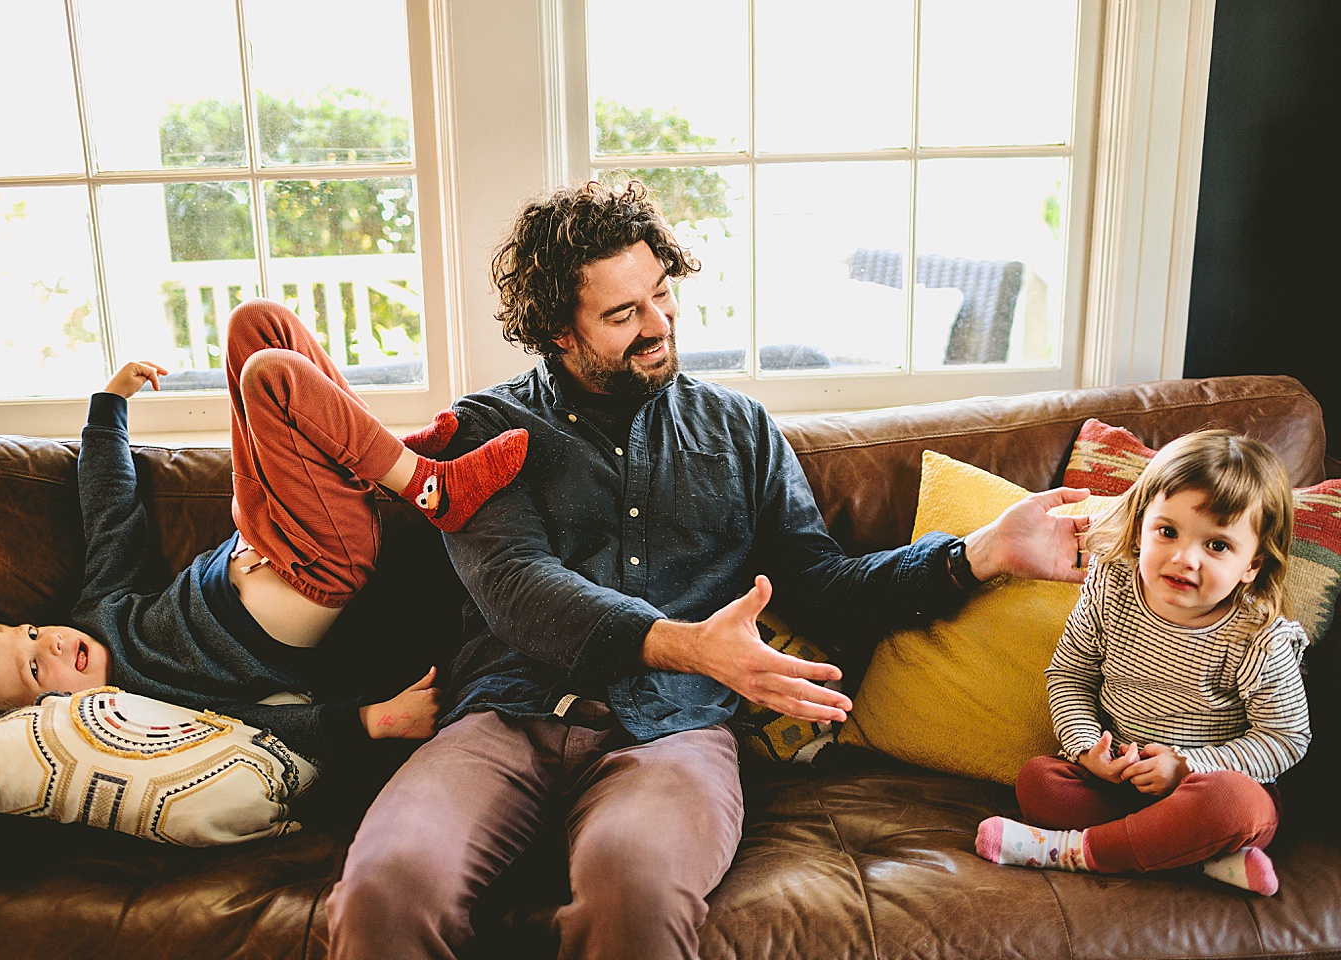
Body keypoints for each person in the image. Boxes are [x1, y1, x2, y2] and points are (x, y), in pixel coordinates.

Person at [325, 180, 1094, 960]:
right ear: (558, 329)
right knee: (388, 888)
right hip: (504, 715)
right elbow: (518, 585)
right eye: (623, 315)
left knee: (636, 885)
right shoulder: (484, 432)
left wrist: (981, 553)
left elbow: (822, 585)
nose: (658, 326)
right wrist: (686, 642)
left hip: (671, 732)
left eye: (662, 295)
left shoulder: (740, 431)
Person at [0, 298, 529, 763]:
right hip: (317, 569)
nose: (50, 645)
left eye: (30, 634)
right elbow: (249, 722)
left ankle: (380, 465)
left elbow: (110, 509)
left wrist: (107, 404)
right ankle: (428, 488)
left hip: (261, 536)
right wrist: (370, 720)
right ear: (42, 715)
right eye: (35, 670)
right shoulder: (134, 708)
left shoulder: (98, 611)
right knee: (272, 377)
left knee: (257, 326)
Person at [975, 429, 1311, 896]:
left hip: (1204, 789)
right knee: (1039, 782)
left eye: (1217, 546)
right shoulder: (1111, 587)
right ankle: (1196, 860)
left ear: (1253, 563)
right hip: (1119, 784)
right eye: (1167, 532)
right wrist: (1086, 749)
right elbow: (1071, 673)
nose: (1183, 558)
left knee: (1233, 807)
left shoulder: (1259, 637)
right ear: (1140, 529)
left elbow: (1285, 738)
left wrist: (1187, 767)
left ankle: (1073, 852)